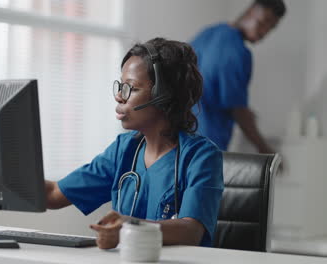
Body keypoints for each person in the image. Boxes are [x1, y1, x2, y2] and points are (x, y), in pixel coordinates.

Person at [44, 38, 224, 249]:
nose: (119, 96)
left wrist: (131, 228)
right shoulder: (124, 149)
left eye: (131, 88)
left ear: (163, 95)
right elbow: (53, 195)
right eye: (120, 86)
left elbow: (191, 231)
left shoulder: (201, 156)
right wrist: (3, 175)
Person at [190, 0, 286, 152]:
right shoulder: (238, 52)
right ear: (251, 11)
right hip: (207, 145)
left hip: (180, 140)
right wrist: (265, 148)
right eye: (264, 22)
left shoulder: (209, 33)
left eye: (271, 28)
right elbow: (238, 110)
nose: (264, 32)